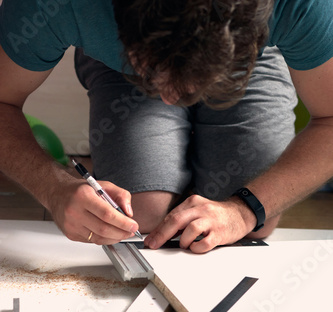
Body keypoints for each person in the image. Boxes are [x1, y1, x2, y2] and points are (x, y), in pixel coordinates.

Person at [0, 0, 332, 254]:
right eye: (156, 73)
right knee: (143, 215)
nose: (172, 99)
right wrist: (54, 187)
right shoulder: (57, 5)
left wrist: (244, 211)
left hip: (248, 58)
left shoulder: (303, 6)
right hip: (120, 67)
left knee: (251, 223)